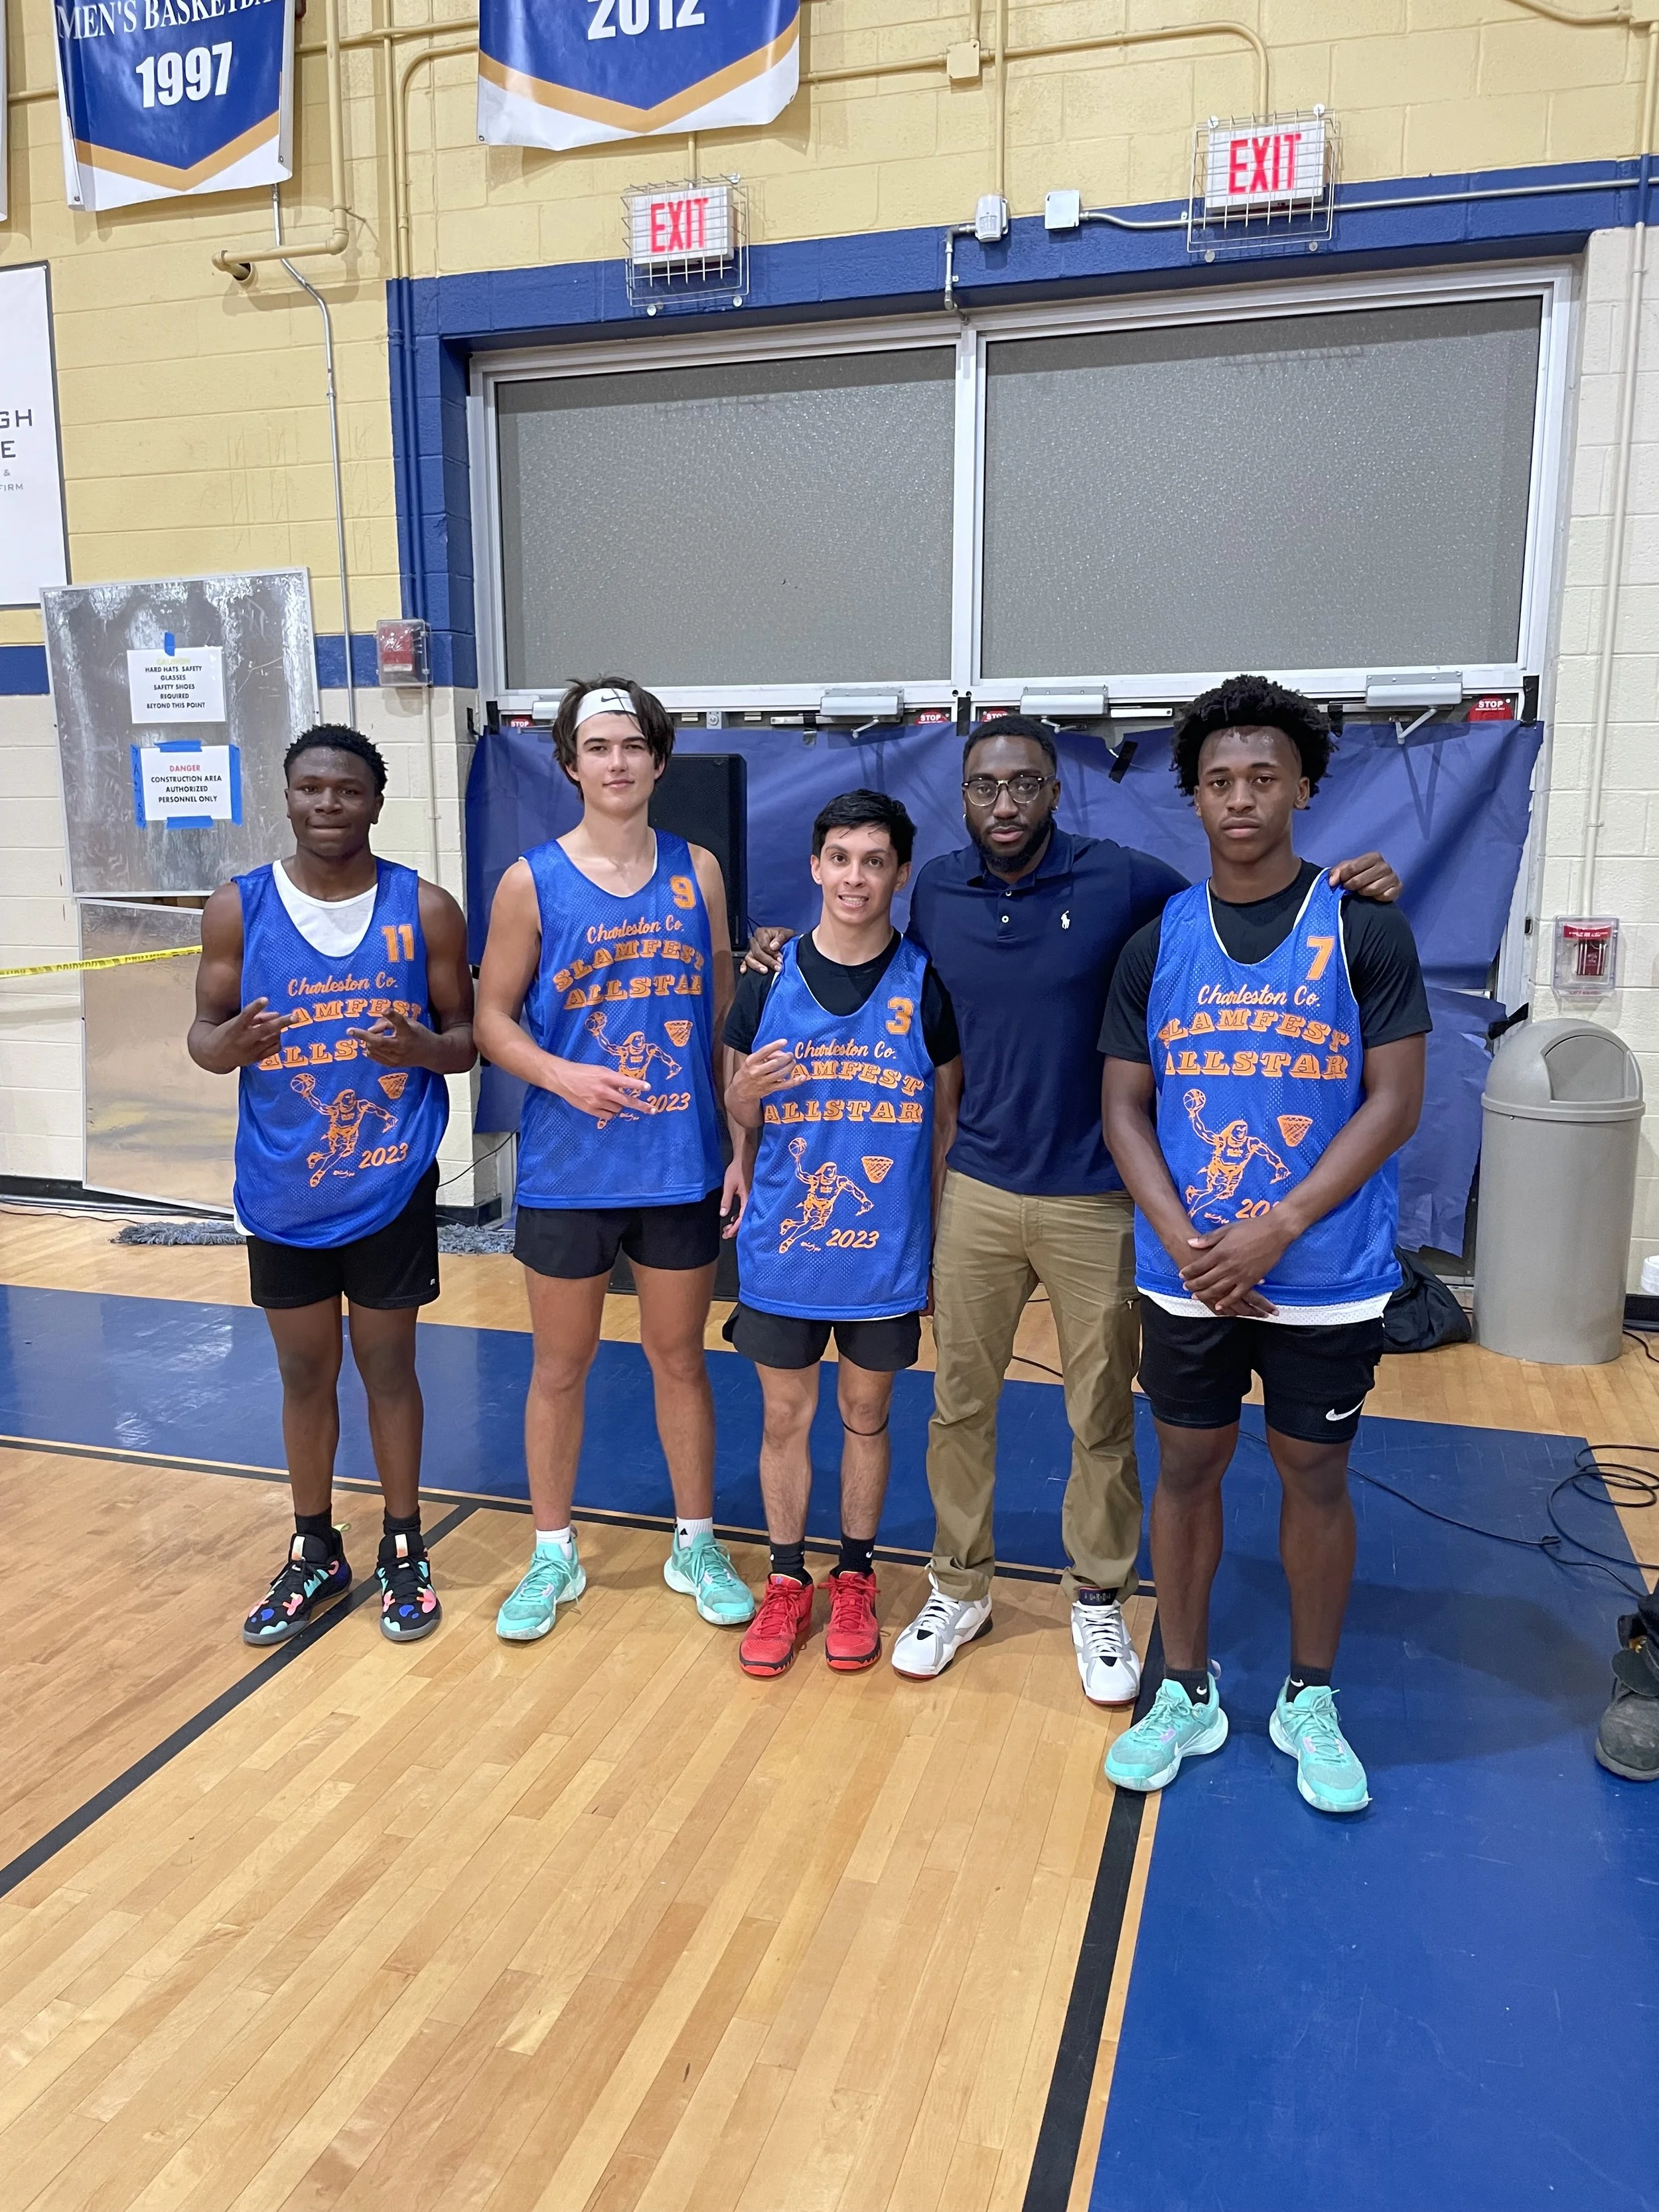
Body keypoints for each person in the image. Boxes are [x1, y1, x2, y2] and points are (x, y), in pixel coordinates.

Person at [745, 717, 1402, 1704]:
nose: (1003, 806)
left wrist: (1351, 890)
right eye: (983, 789)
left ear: (1055, 789)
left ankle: (1099, 1594)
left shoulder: (1124, 880)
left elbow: (1239, 912)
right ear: (961, 798)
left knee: (1100, 1413)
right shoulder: (940, 893)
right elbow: (873, 956)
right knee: (960, 1404)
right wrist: (775, 947)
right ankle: (958, 1586)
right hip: (976, 1188)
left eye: (1023, 786)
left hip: (1098, 1196)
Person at [1100, 674, 1428, 1814]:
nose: (1241, 798)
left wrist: (1278, 1227)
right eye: (1220, 780)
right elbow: (1125, 1110)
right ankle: (1184, 1688)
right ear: (1193, 796)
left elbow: (1395, 1102)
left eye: (1263, 778)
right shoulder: (1158, 944)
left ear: (1303, 788)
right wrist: (1194, 1240)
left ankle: (1310, 1696)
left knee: (1313, 1474)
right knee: (1186, 1467)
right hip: (1190, 1271)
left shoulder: (1365, 923)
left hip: (1323, 1276)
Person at [473, 678, 754, 1639]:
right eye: (598, 748)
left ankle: (695, 1538)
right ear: (569, 764)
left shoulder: (699, 871)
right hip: (570, 1169)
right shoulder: (530, 881)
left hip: (680, 1160)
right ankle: (553, 1553)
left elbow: (723, 1019)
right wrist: (561, 1075)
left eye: (633, 746)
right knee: (561, 1365)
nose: (618, 762)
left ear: (660, 761)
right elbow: (488, 1020)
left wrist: (738, 1142)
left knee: (680, 1358)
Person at [188, 725, 476, 1648]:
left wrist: (424, 1050)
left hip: (389, 1182)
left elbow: (469, 1039)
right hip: (282, 1186)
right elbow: (204, 1033)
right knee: (304, 1371)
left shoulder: (425, 908)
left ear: (375, 804)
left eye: (346, 792)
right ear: (286, 797)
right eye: (310, 789)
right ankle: (315, 1546)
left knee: (388, 1368)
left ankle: (403, 1544)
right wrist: (225, 1047)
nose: (326, 806)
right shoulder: (236, 909)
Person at [723, 789, 962, 1678]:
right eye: (841, 858)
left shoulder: (925, 983)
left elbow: (945, 1126)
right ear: (816, 867)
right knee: (787, 1416)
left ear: (899, 872)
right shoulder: (765, 977)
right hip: (786, 1243)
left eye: (875, 860)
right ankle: (787, 1580)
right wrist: (741, 1105)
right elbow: (734, 1102)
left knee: (867, 1415)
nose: (856, 876)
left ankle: (854, 1574)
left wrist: (937, 1242)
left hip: (886, 1252)